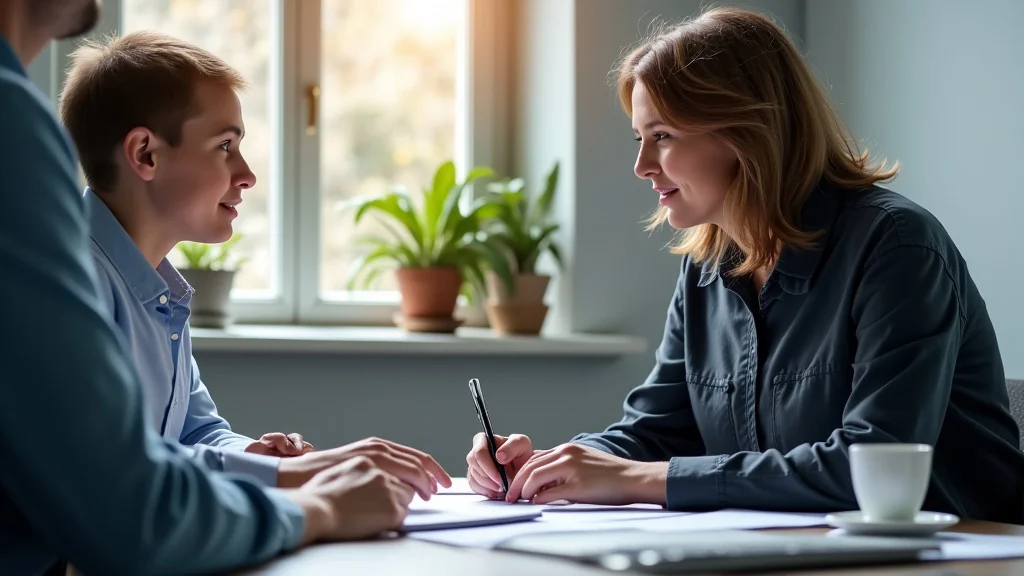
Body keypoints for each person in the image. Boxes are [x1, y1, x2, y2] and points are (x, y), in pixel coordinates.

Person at [466, 6, 1024, 523]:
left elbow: (871, 468)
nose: (641, 165)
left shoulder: (898, 247)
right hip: (794, 548)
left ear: (746, 132)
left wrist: (638, 479)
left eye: (662, 137)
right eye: (640, 137)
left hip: (965, 554)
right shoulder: (709, 264)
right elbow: (656, 430)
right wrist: (556, 464)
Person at [0, 2, 447, 574]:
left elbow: (195, 431)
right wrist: (305, 490)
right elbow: (130, 482)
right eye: (225, 147)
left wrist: (256, 458)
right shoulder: (81, 275)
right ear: (145, 154)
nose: (248, 173)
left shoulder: (160, 294)